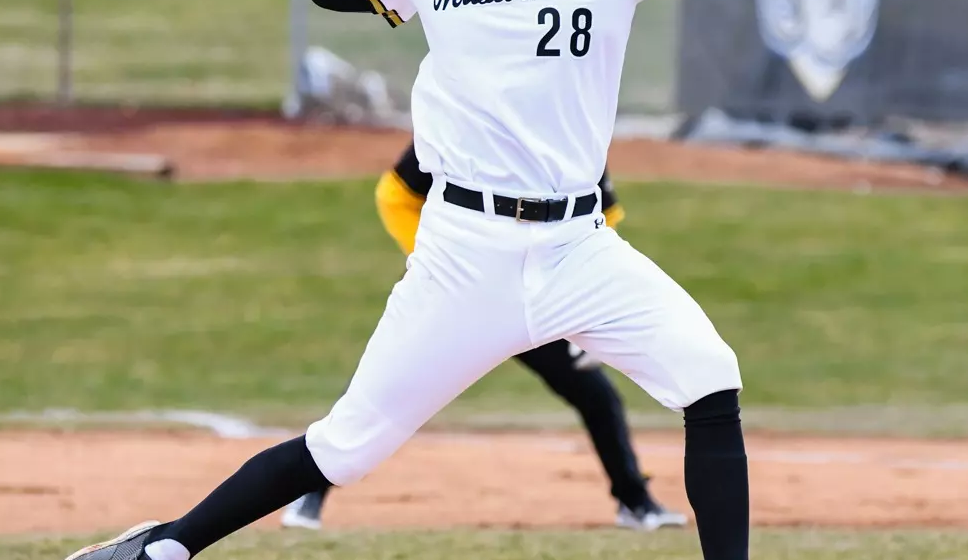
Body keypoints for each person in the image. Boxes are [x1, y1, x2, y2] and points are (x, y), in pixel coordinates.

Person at [39, 0, 842, 560]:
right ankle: (157, 552)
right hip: (466, 252)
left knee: (710, 373)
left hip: (582, 246)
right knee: (348, 444)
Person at [280, 144, 687, 532]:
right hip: (463, 289)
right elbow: (394, 196)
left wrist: (583, 304)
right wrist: (434, 263)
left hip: (541, 297)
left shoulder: (576, 130)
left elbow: (603, 220)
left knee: (595, 395)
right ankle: (310, 491)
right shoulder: (470, 119)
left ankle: (635, 501)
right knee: (383, 398)